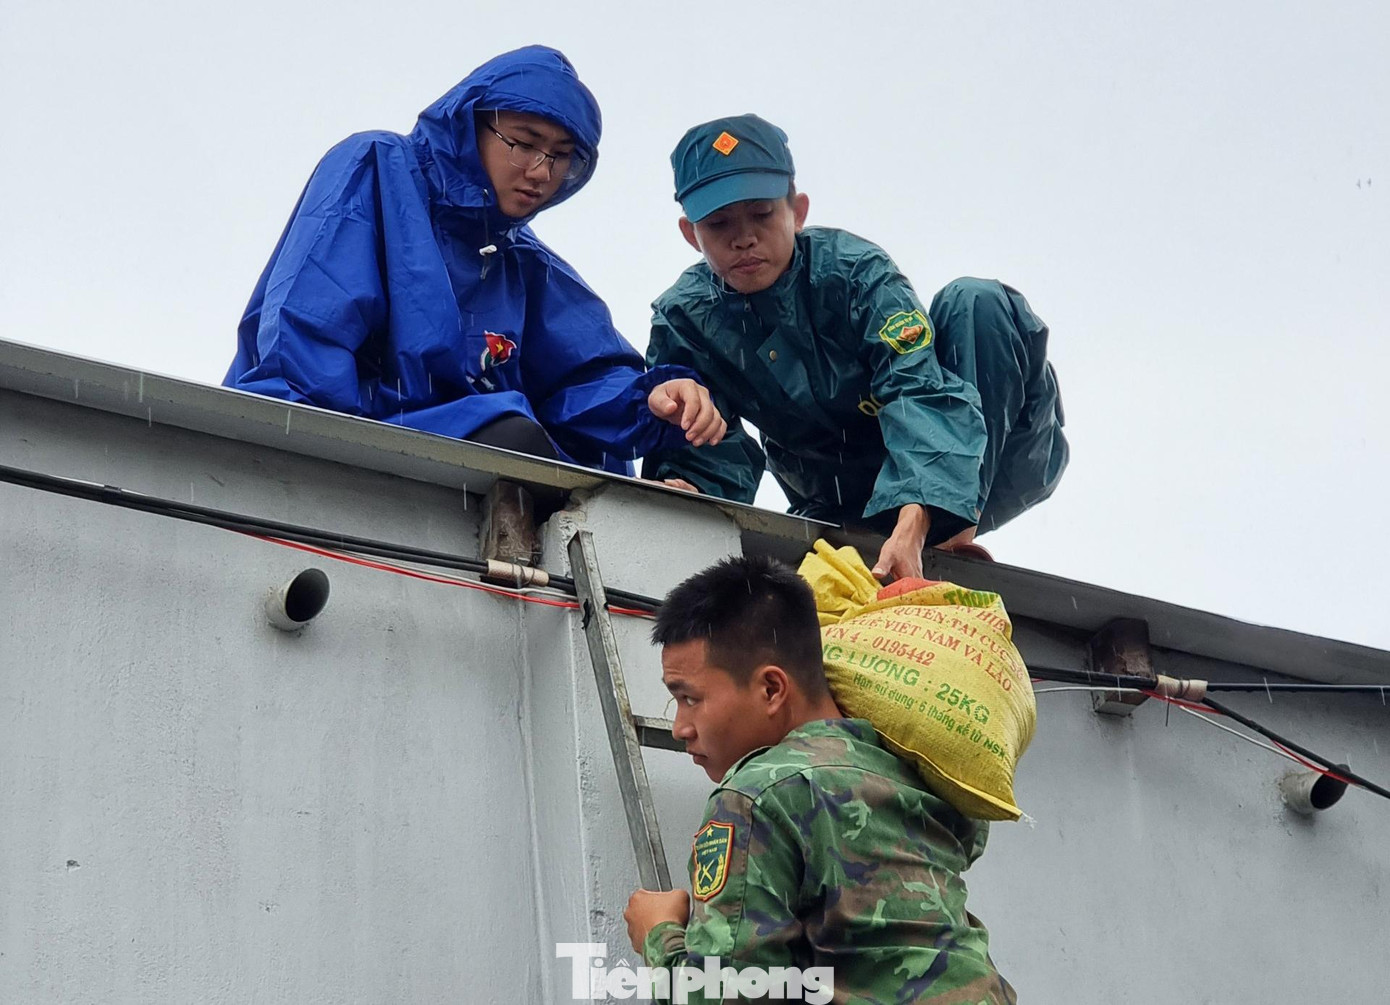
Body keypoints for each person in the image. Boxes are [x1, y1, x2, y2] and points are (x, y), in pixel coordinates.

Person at [225, 46, 725, 473]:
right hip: (337, 449)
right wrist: (317, 454)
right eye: (524, 143)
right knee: (515, 438)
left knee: (570, 461)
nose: (541, 172)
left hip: (454, 470)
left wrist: (652, 400)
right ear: (470, 123)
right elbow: (307, 335)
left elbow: (582, 376)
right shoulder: (379, 168)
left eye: (561, 156)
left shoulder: (527, 265)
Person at [641, 114, 1067, 577]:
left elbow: (916, 386)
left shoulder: (856, 273)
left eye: (762, 214)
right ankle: (910, 520)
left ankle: (950, 530)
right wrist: (692, 493)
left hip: (988, 457)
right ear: (691, 234)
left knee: (976, 301)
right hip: (839, 498)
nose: (743, 238)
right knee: (686, 427)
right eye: (719, 223)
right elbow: (701, 436)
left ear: (797, 212)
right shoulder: (684, 317)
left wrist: (916, 518)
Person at [623, 555, 1016, 1004]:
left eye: (689, 699)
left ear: (772, 689)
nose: (679, 727)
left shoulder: (756, 796)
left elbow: (726, 995)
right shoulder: (911, 768)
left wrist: (659, 934)